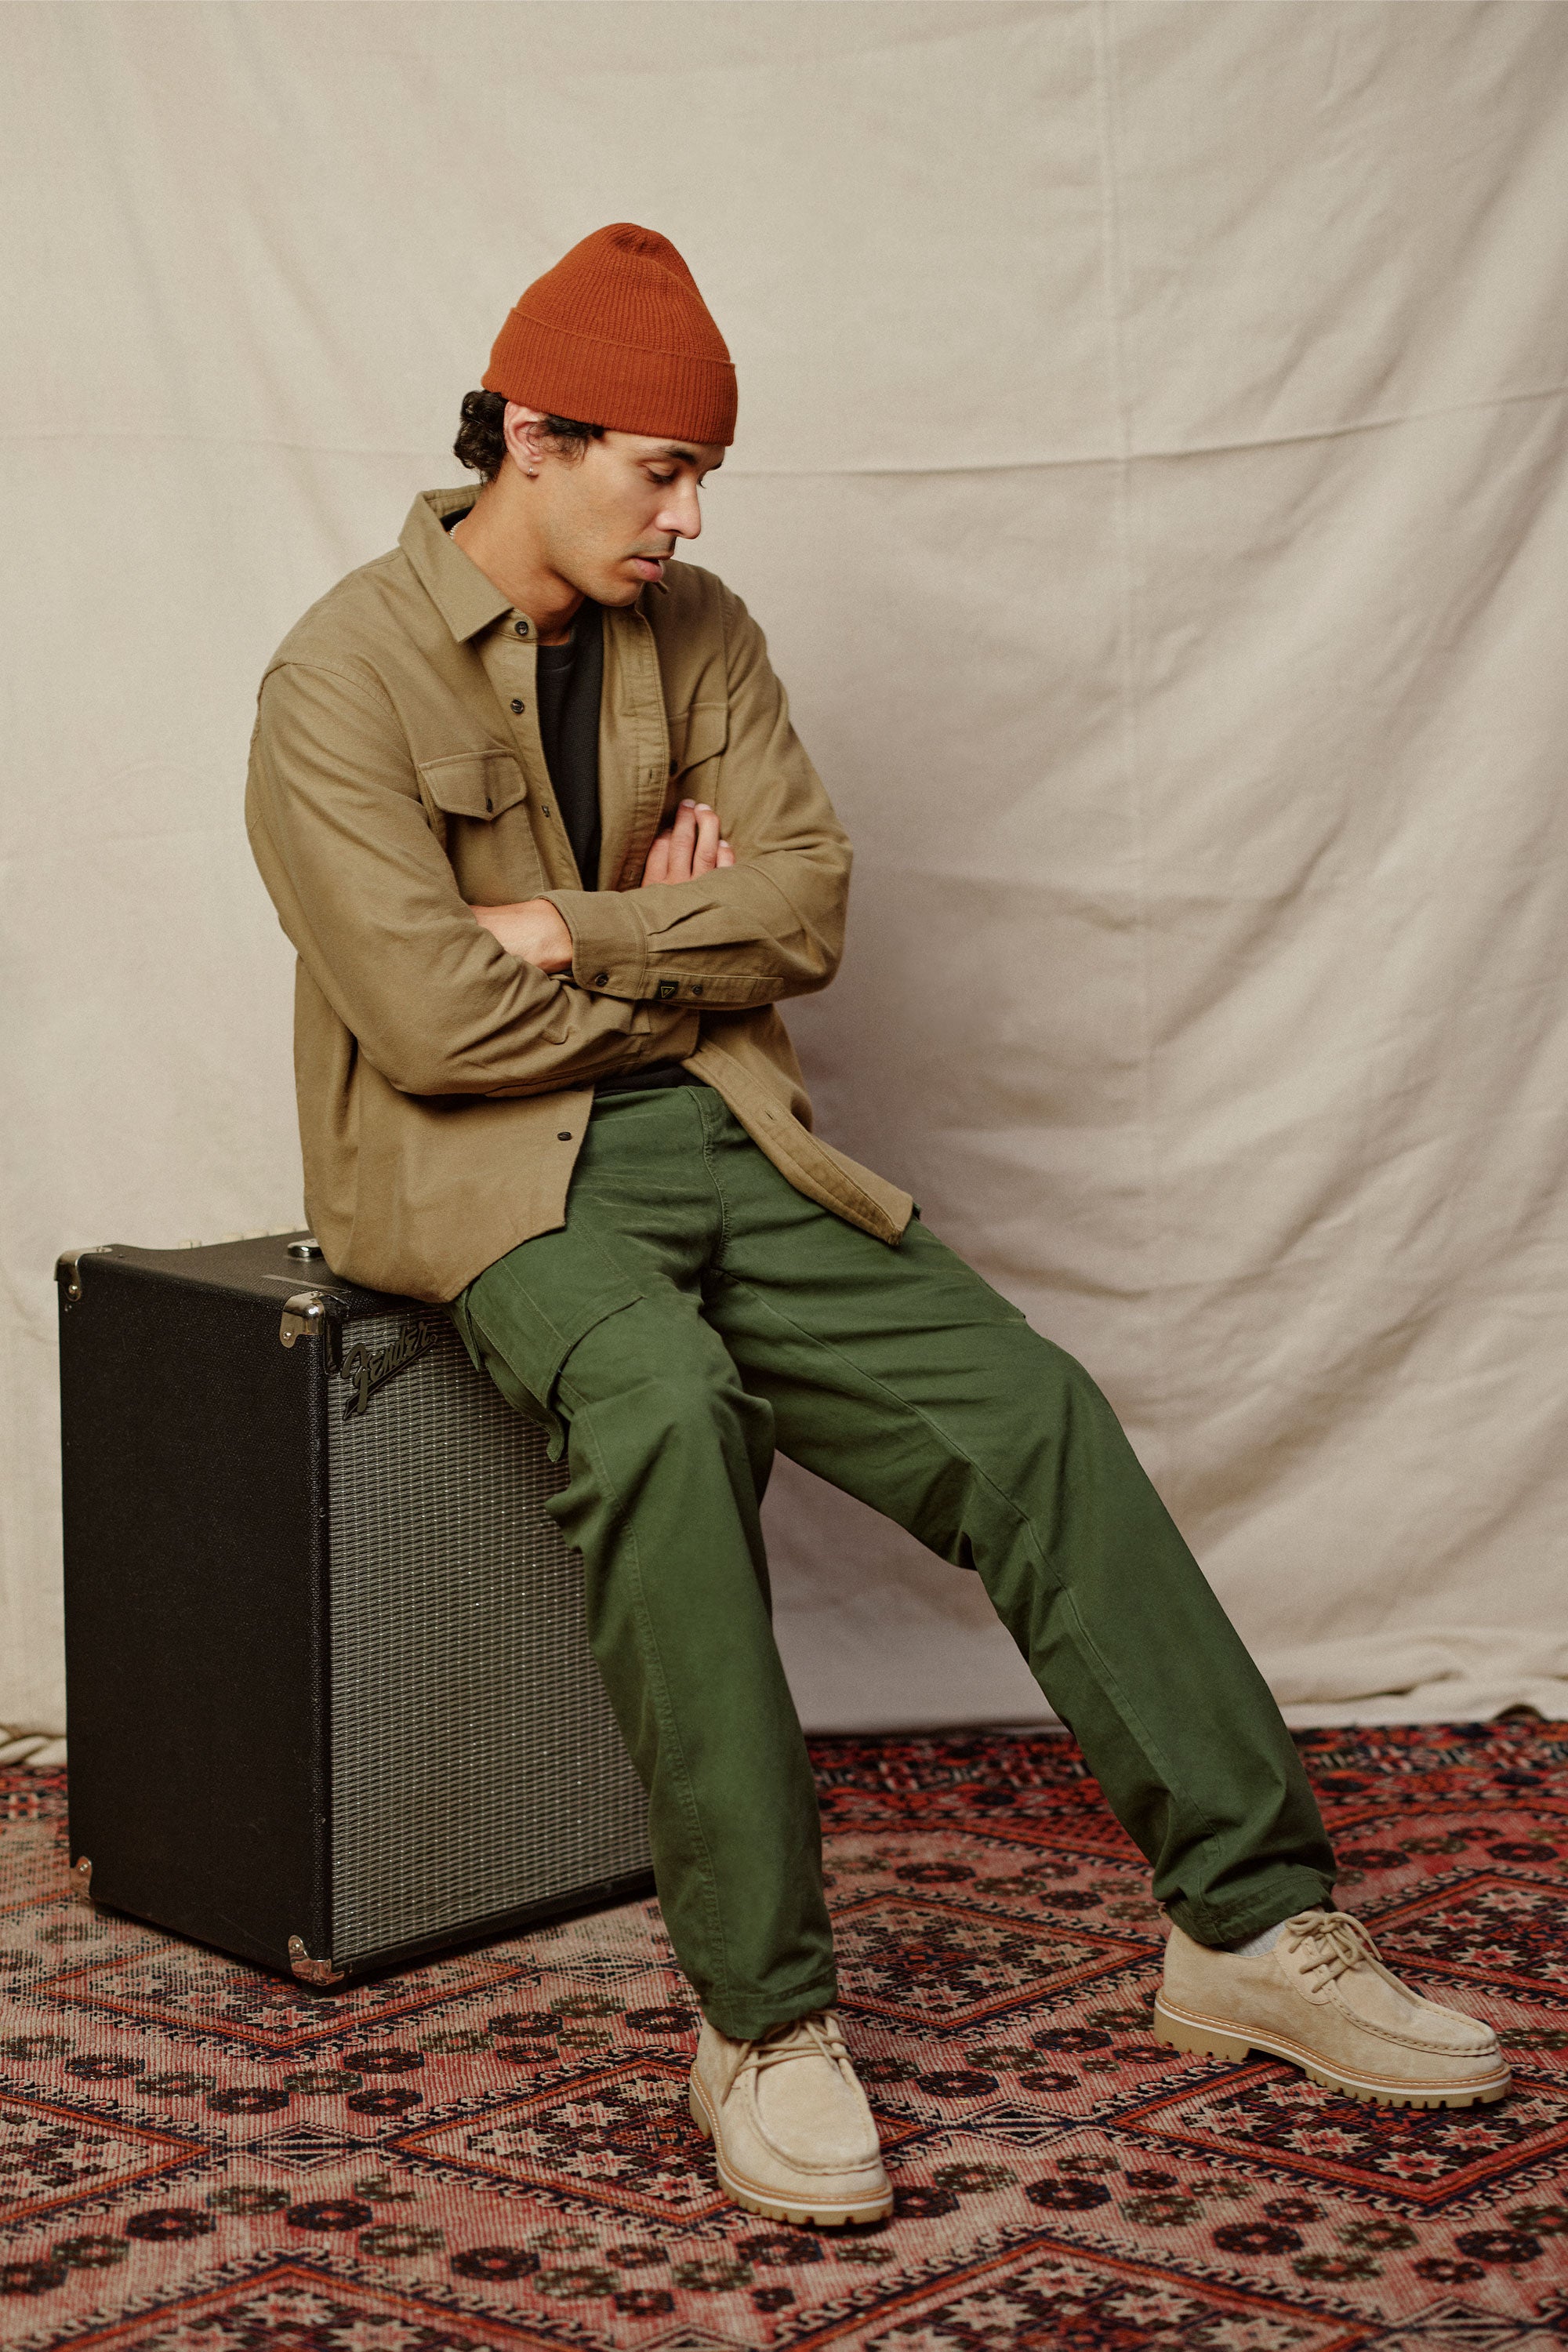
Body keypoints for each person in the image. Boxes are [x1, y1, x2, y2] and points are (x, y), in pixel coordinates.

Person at [245, 223, 1508, 2230]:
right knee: (661, 1405)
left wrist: (583, 923)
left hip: (731, 1137)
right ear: (532, 436)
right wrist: (690, 943)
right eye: (654, 467)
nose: (683, 511)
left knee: (1030, 1411)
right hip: (492, 1179)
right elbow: (427, 1018)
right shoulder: (338, 672)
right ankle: (759, 2020)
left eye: (701, 480)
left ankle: (1252, 1931)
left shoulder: (708, 630)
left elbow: (808, 912)